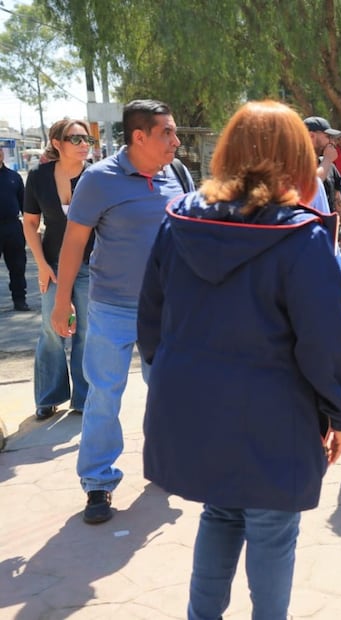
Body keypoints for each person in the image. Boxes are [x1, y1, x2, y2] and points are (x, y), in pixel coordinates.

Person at [137, 100, 341, 620]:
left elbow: (150, 322)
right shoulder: (301, 237)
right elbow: (324, 346)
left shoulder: (178, 222)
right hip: (274, 417)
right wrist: (340, 412)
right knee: (272, 529)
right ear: (295, 157)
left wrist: (177, 380)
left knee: (220, 512)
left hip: (194, 406)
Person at [52, 99, 194, 524]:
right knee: (104, 394)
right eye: (167, 132)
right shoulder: (98, 179)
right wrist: (62, 303)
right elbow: (74, 243)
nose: (176, 140)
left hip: (167, 308)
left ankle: (165, 464)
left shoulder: (178, 174)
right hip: (112, 306)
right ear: (138, 137)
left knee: (168, 392)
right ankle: (97, 482)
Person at [22, 119, 95, 420]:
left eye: (86, 139)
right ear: (57, 143)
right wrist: (40, 265)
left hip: (91, 265)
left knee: (88, 333)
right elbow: (29, 223)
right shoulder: (38, 177)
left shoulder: (96, 176)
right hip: (52, 265)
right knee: (52, 331)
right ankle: (48, 397)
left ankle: (83, 397)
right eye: (75, 139)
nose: (83, 145)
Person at [304, 116, 341, 261]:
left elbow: (339, 203)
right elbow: (311, 186)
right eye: (327, 137)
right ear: (311, 136)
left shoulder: (329, 167)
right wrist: (327, 160)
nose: (332, 142)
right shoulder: (297, 163)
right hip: (310, 241)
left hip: (335, 243)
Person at [0, 148, 29, 312]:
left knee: (18, 266)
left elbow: (25, 204)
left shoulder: (14, 177)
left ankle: (20, 300)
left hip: (12, 227)